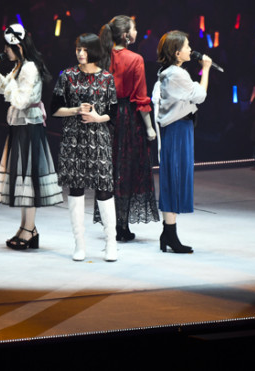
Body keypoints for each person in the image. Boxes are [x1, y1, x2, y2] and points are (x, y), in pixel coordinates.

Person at [0, 23, 63, 250]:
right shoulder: (20, 66)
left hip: (30, 126)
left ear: (18, 46)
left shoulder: (29, 68)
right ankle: (27, 228)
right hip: (20, 126)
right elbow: (5, 90)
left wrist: (9, 86)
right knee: (22, 180)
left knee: (28, 179)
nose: (5, 51)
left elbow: (22, 99)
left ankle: (29, 229)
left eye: (7, 47)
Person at [51, 33, 119, 261]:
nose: (80, 53)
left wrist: (98, 118)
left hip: (99, 139)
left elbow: (114, 112)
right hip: (73, 139)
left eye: (85, 49)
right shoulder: (67, 76)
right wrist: (76, 110)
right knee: (76, 189)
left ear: (94, 51)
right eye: (78, 49)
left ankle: (111, 243)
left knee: (105, 189)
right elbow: (55, 109)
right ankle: (79, 244)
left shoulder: (107, 78)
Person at [98, 15, 160, 242]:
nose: (137, 32)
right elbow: (141, 98)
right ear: (125, 35)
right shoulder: (135, 59)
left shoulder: (102, 57)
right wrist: (150, 128)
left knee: (109, 170)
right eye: (134, 29)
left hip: (105, 117)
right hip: (127, 118)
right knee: (126, 170)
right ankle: (122, 226)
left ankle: (110, 223)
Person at [152, 30, 212, 253]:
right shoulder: (176, 74)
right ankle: (170, 234)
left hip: (179, 128)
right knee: (174, 177)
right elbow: (200, 96)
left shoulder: (170, 72)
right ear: (177, 53)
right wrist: (206, 69)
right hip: (177, 129)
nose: (190, 49)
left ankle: (168, 233)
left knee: (174, 177)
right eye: (187, 46)